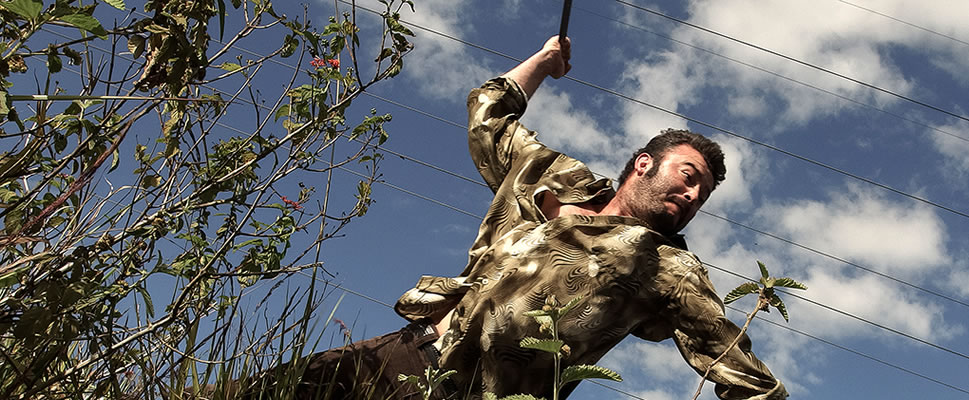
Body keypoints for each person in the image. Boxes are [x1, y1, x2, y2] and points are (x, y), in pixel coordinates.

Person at [394, 36, 788, 399]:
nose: (692, 196)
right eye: (689, 178)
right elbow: (488, 115)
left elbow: (744, 375)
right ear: (644, 164)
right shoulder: (556, 176)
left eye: (701, 196)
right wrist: (545, 61)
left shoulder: (669, 267)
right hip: (406, 352)